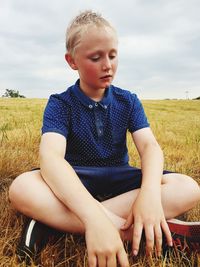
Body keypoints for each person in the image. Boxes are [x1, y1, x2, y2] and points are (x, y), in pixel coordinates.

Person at [9, 10, 200, 267]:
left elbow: (150, 148)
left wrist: (150, 196)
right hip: (76, 182)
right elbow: (51, 158)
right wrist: (93, 218)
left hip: (120, 179)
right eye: (96, 57)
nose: (107, 64)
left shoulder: (127, 100)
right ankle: (134, 230)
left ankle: (52, 225)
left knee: (187, 187)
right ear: (72, 61)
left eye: (112, 55)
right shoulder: (60, 103)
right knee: (22, 187)